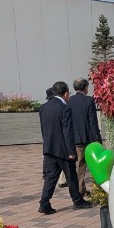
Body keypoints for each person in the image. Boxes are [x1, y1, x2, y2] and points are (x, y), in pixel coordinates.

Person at [38, 81, 91, 214]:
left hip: (49, 148)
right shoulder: (64, 108)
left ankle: (44, 203)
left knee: (50, 178)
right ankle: (78, 201)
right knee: (71, 176)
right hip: (63, 150)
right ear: (66, 93)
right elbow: (68, 131)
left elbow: (44, 130)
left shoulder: (43, 107)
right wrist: (71, 151)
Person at [60, 77, 102, 198]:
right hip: (87, 138)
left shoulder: (69, 101)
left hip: (73, 139)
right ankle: (85, 189)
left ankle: (81, 188)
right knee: (88, 165)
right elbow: (93, 122)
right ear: (85, 87)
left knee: (78, 165)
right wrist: (97, 139)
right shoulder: (88, 100)